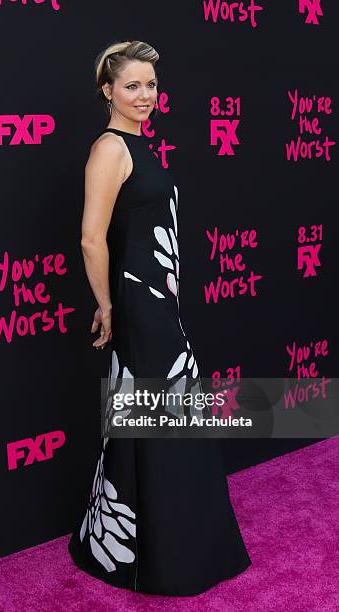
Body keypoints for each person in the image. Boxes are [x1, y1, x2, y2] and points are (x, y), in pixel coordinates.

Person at [68, 40, 252, 596]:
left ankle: (156, 545)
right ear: (108, 91)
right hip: (138, 308)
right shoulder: (109, 149)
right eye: (132, 86)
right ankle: (155, 555)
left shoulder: (141, 146)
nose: (145, 95)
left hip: (157, 306)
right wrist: (106, 305)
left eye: (150, 85)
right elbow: (91, 238)